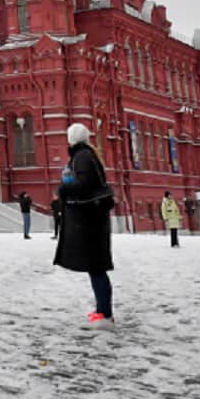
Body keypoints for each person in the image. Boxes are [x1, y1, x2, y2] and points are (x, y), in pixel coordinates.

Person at [54, 123, 115, 328]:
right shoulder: (86, 155)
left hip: (90, 222)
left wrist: (64, 188)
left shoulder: (82, 156)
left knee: (96, 268)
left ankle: (105, 315)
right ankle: (102, 311)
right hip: (92, 220)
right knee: (95, 268)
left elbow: (85, 184)